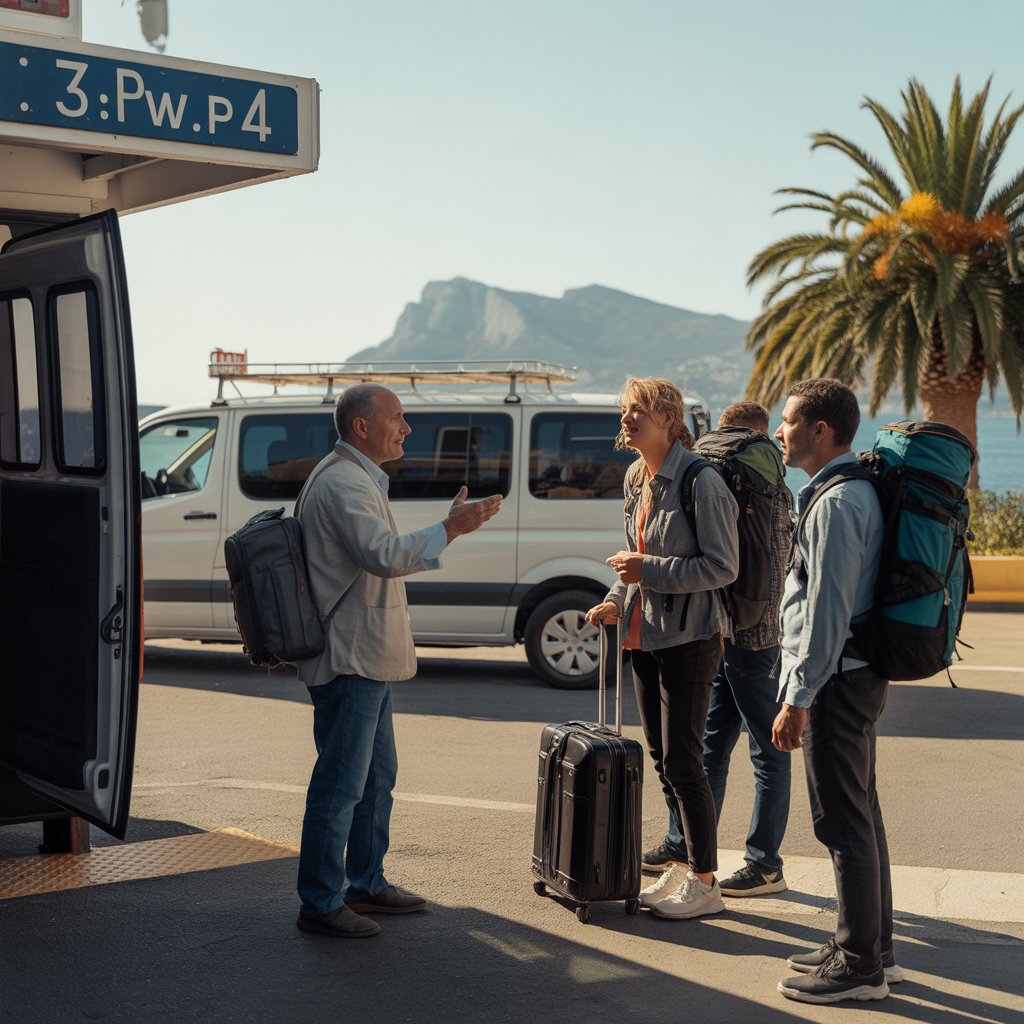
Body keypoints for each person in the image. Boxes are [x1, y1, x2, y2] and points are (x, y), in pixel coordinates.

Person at [293, 383, 501, 938]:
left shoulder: (353, 476)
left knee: (376, 777)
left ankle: (364, 884)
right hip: (350, 657)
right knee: (341, 784)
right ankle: (320, 901)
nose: (406, 428)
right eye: (398, 418)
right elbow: (382, 556)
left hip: (368, 656)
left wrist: (447, 530)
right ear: (362, 427)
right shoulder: (342, 482)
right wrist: (451, 528)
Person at [586, 377, 739, 920]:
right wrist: (613, 599)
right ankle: (681, 861)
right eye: (625, 411)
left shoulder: (702, 482)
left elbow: (723, 566)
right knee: (660, 758)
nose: (626, 420)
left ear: (670, 420)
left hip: (691, 638)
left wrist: (647, 570)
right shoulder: (635, 476)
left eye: (639, 412)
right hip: (644, 634)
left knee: (684, 760)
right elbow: (633, 556)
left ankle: (705, 881)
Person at [770, 378, 902, 1004]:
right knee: (861, 813)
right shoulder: (844, 493)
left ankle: (860, 968)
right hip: (851, 675)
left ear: (822, 431)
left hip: (836, 682)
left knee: (843, 822)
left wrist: (799, 696)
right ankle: (872, 947)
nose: (780, 430)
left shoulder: (837, 503)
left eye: (790, 420)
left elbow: (826, 610)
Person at [642, 401, 795, 898]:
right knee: (763, 749)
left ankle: (683, 843)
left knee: (707, 747)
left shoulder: (705, 466)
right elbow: (780, 558)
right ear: (760, 433)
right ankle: (760, 860)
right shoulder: (766, 476)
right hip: (755, 631)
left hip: (708, 628)